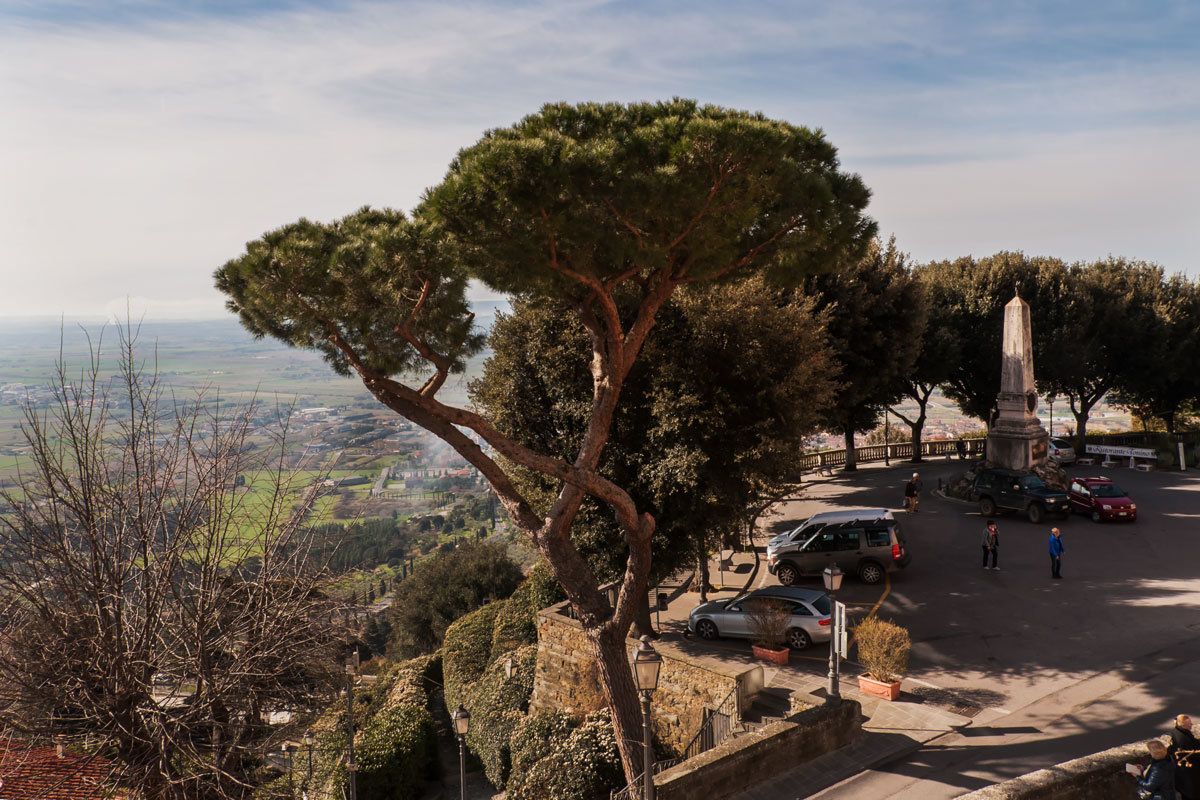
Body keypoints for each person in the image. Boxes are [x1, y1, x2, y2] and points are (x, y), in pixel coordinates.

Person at [1169, 713, 1199, 800]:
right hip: (1189, 773)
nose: (1192, 725)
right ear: (1183, 725)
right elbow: (1195, 753)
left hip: (1181, 773)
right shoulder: (1184, 739)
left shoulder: (1175, 732)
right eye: (1189, 724)